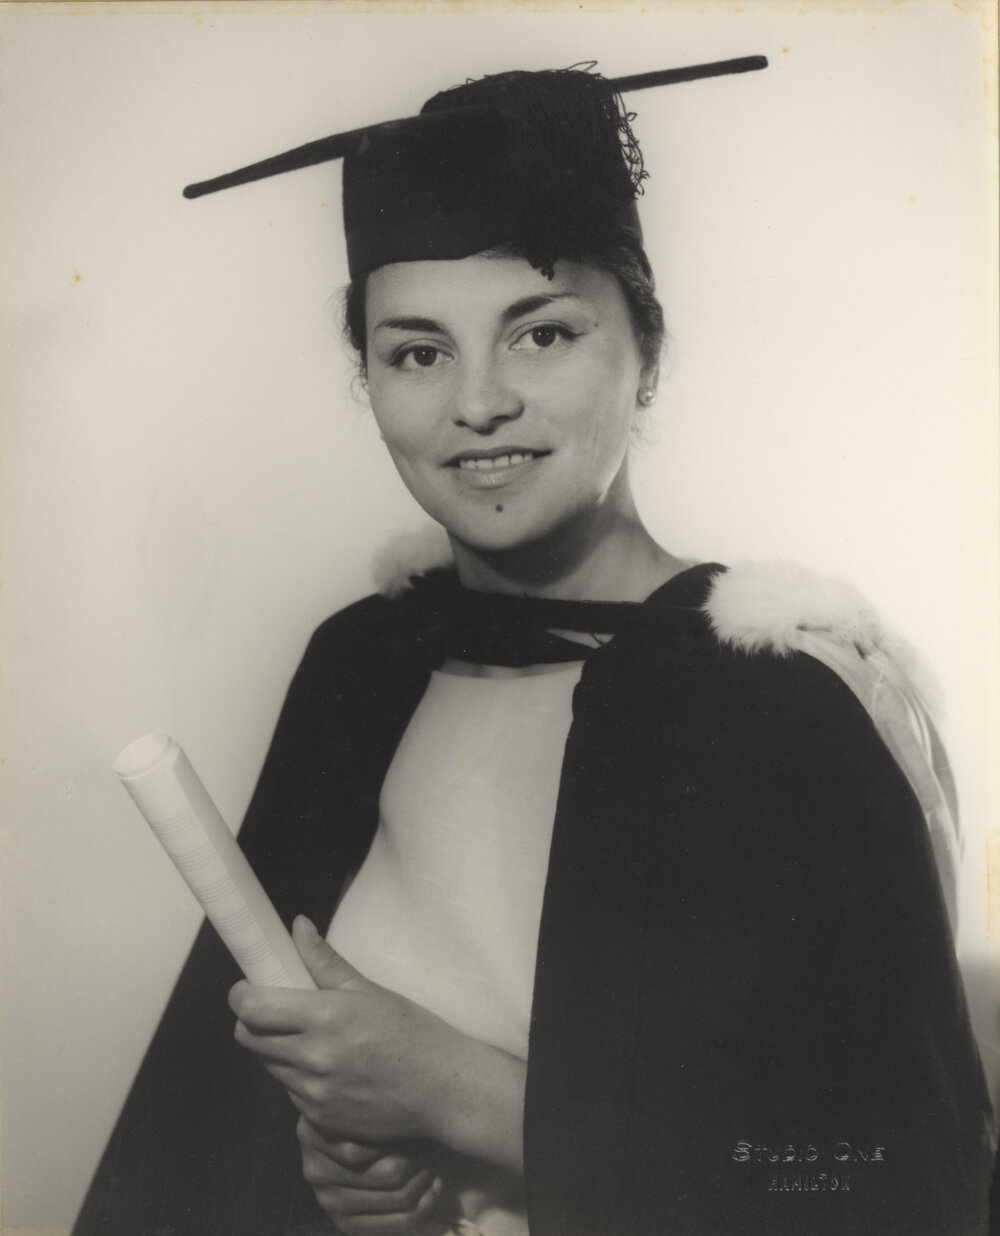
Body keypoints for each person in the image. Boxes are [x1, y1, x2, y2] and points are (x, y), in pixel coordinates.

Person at [72, 61, 994, 1236]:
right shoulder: (364, 664)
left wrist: (460, 1099)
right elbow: (211, 1150)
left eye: (541, 333)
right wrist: (345, 1180)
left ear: (647, 350)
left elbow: (889, 1185)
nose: (478, 403)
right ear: (367, 379)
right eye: (417, 352)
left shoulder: (783, 703)